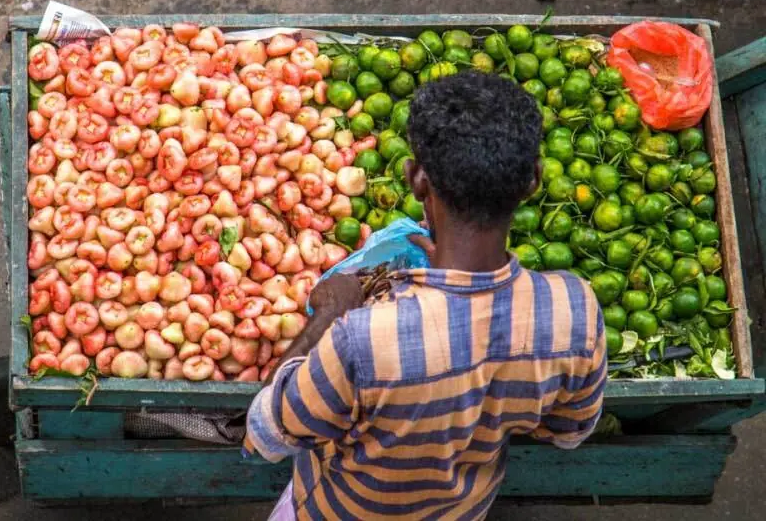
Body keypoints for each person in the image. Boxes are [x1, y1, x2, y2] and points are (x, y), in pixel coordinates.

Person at [245, 72, 607, 520]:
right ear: (533, 180)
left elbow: (267, 432)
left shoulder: (361, 338)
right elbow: (570, 430)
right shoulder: (575, 310)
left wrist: (326, 316)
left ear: (416, 179)